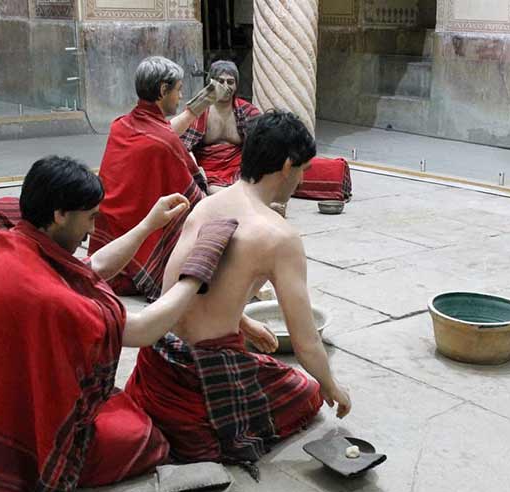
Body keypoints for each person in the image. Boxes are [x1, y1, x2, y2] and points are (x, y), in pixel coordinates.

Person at [0, 156, 239, 492]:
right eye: (89, 218)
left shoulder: (11, 248)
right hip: (7, 430)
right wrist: (197, 271)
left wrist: (149, 224)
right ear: (60, 214)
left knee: (118, 409)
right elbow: (142, 329)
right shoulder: (47, 296)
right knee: (144, 437)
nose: (92, 230)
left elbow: (90, 267)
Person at [125, 111, 351, 465]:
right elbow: (306, 344)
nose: (303, 178)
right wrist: (332, 386)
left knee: (258, 358)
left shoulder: (206, 205)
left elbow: (183, 289)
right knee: (305, 392)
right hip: (202, 382)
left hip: (159, 367)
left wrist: (243, 323)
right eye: (304, 169)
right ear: (288, 166)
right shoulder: (280, 236)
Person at [90, 56, 224, 300]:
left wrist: (197, 107)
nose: (181, 96)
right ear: (163, 90)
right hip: (134, 248)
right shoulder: (163, 143)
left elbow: (161, 132)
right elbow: (192, 198)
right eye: (179, 90)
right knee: (206, 219)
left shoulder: (120, 125)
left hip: (108, 237)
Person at [177, 60, 261, 192]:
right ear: (211, 83)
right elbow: (181, 146)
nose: (225, 86)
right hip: (209, 172)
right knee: (215, 191)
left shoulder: (248, 111)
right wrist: (196, 171)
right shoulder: (198, 112)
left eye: (230, 82)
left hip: (240, 170)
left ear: (236, 84)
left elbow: (262, 144)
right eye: (220, 82)